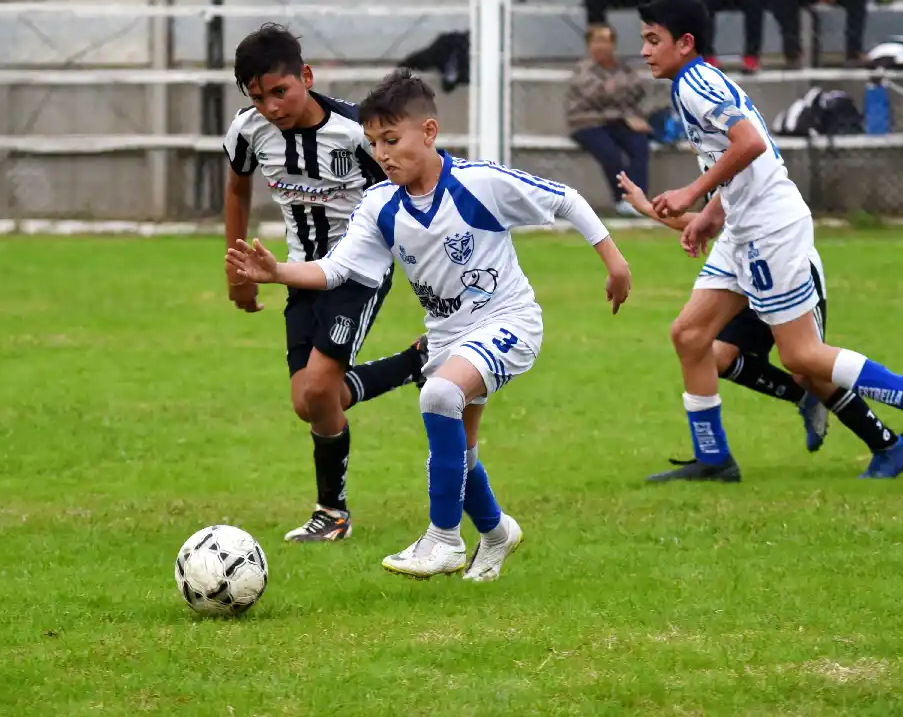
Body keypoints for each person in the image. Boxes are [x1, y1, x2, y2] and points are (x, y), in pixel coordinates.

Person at [227, 68, 632, 581]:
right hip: (447, 335)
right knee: (459, 454)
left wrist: (614, 262)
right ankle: (496, 532)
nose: (383, 154)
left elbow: (567, 199)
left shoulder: (478, 183)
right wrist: (277, 272)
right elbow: (336, 269)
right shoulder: (380, 206)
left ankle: (443, 540)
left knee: (438, 396)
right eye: (374, 143)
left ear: (430, 132)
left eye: (392, 140)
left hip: (507, 320)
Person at [636, 0, 903, 483]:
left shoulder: (696, 83)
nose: (644, 50)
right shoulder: (694, 82)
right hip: (743, 226)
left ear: (684, 43)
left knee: (801, 356)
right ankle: (714, 458)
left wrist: (692, 193)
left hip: (771, 229)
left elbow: (748, 144)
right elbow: (750, 154)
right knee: (690, 335)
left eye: (652, 39)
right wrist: (710, 214)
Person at [223, 25, 428, 543]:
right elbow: (237, 188)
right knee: (310, 401)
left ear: (306, 77)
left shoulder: (358, 132)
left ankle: (332, 514)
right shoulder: (247, 132)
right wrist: (237, 267)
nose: (270, 106)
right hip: (297, 273)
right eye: (258, 96)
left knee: (319, 389)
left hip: (358, 272)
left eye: (280, 91)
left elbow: (402, 192)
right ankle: (416, 363)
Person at [617, 173, 903, 478]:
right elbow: (712, 223)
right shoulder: (717, 155)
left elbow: (714, 221)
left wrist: (650, 207)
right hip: (743, 272)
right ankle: (797, 402)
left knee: (808, 368)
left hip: (788, 266)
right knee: (714, 354)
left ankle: (890, 446)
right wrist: (647, 207)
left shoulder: (744, 155)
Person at [565, 23, 653, 217]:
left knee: (639, 144)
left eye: (606, 41)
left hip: (617, 120)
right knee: (610, 154)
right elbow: (594, 98)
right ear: (589, 44)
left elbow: (637, 91)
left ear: (613, 45)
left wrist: (619, 103)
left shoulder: (623, 68)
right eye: (596, 41)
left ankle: (638, 200)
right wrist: (620, 103)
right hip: (586, 122)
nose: (601, 46)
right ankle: (622, 199)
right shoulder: (583, 70)